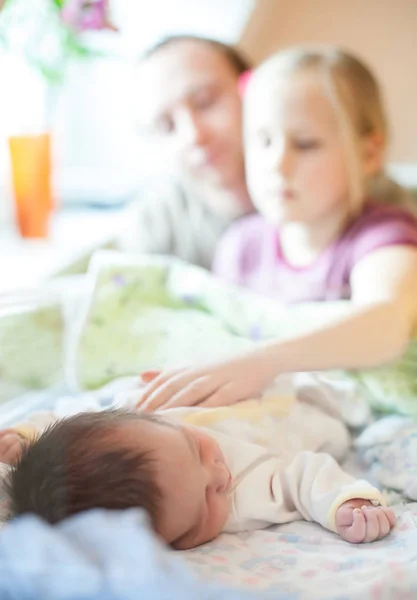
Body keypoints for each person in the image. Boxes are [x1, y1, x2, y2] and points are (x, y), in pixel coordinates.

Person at [135, 46, 417, 412]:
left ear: (367, 154)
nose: (277, 165)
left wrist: (263, 362)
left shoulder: (383, 236)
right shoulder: (240, 245)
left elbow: (386, 325)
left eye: (305, 144)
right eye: (263, 141)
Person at [3, 382, 395, 548]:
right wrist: (344, 503)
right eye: (205, 507)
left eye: (195, 448)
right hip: (316, 406)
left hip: (247, 374)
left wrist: (24, 437)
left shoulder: (130, 419)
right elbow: (301, 477)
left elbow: (70, 416)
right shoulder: (243, 494)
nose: (220, 474)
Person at [120, 35, 253, 269]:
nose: (194, 135)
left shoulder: (331, 193)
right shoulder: (154, 226)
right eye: (166, 126)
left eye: (205, 102)